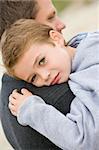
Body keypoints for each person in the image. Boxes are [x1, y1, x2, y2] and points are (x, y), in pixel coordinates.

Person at [0, 0, 87, 149]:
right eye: (50, 18)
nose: (61, 24)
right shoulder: (65, 97)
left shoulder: (8, 91)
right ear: (26, 30)